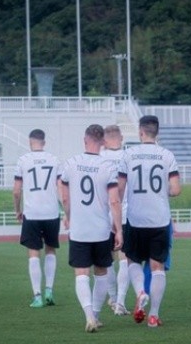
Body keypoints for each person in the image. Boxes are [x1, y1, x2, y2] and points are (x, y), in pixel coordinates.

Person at [118, 115, 181, 327]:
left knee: (132, 260)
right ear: (157, 133)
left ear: (140, 132)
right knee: (157, 267)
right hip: (160, 219)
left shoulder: (128, 155)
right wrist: (162, 192)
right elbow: (175, 189)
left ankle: (140, 291)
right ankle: (153, 315)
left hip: (135, 218)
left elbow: (119, 189)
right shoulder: (167, 155)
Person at [59, 124, 123, 332]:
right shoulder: (108, 166)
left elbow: (65, 196)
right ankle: (95, 314)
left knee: (81, 274)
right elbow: (114, 201)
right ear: (103, 142)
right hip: (101, 228)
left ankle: (88, 316)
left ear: (84, 140)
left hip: (79, 228)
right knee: (102, 272)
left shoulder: (71, 163)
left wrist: (68, 216)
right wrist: (119, 229)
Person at [13, 129, 61, 308]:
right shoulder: (54, 160)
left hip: (32, 213)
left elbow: (16, 191)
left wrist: (17, 210)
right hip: (51, 212)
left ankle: (38, 296)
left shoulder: (23, 161)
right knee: (50, 250)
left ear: (29, 141)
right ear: (44, 142)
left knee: (33, 252)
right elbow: (61, 189)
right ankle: (49, 290)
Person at [97, 125, 131, 317]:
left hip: (103, 213)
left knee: (106, 259)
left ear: (104, 140)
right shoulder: (128, 156)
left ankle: (112, 297)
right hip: (125, 212)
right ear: (122, 138)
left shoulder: (99, 158)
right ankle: (120, 302)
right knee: (124, 258)